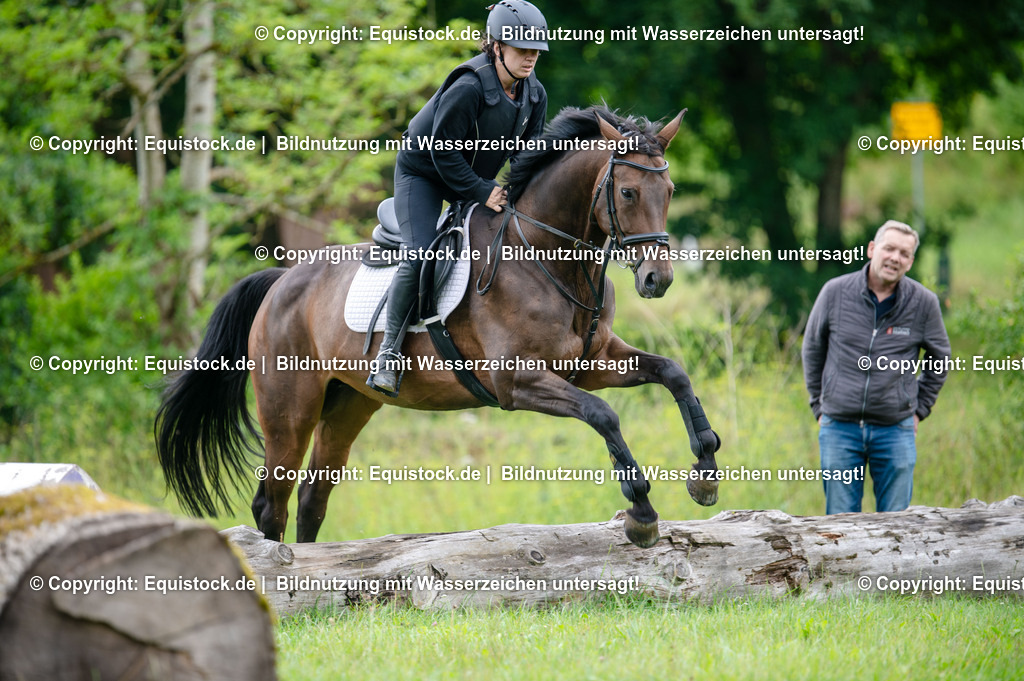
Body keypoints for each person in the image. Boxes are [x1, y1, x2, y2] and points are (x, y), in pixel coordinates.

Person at [366, 0, 550, 396]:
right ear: (496, 47)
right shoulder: (468, 87)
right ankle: (389, 355)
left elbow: (527, 157)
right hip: (426, 174)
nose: (531, 57)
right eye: (522, 49)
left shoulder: (534, 95)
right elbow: (442, 154)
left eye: (536, 50)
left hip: (472, 178)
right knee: (421, 254)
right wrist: (485, 191)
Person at [802, 220, 951, 514]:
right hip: (839, 428)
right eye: (889, 248)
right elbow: (812, 349)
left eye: (904, 253)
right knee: (840, 525)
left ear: (910, 261)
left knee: (896, 526)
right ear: (872, 249)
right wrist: (819, 406)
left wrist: (920, 409)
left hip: (895, 430)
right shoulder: (835, 292)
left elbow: (940, 358)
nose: (895, 257)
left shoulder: (924, 303)